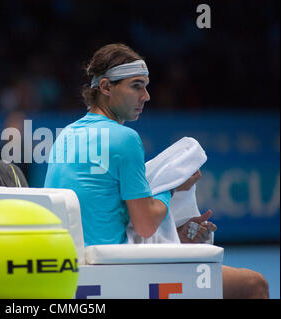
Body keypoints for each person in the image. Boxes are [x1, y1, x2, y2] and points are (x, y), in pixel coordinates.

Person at [44, 43, 269, 299]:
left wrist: (174, 235)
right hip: (115, 273)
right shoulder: (124, 138)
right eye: (136, 86)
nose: (146, 96)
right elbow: (146, 226)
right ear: (106, 87)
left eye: (146, 86)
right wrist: (173, 187)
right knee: (254, 284)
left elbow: (103, 215)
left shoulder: (65, 136)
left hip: (74, 271)